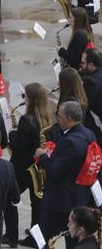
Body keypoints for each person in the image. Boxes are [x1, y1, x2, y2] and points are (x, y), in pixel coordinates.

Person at [36, 101, 97, 241]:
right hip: (78, 196)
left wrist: (43, 156)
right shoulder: (89, 134)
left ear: (69, 119)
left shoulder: (70, 141)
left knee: (46, 238)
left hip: (60, 202)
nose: (57, 119)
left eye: (59, 115)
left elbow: (56, 171)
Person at [4, 82, 56, 247]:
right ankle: (35, 236)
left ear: (31, 100)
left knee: (9, 198)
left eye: (25, 95)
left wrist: (12, 134)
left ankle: (11, 235)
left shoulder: (27, 120)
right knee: (37, 203)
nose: (23, 98)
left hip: (23, 168)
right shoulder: (50, 118)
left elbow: (19, 146)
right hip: (40, 167)